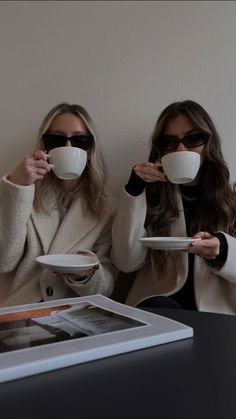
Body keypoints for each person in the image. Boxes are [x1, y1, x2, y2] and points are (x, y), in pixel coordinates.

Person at [112, 100, 236, 315]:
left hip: (217, 316)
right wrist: (134, 191)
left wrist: (223, 250)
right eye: (169, 142)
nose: (181, 149)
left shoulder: (231, 200)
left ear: (209, 144)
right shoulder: (150, 198)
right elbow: (126, 262)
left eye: (193, 138)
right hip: (157, 309)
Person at [0, 102, 117, 307]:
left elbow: (106, 288)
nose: (68, 147)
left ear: (91, 148)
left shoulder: (107, 208)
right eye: (56, 139)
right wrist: (18, 188)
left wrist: (87, 274)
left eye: (80, 140)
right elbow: (4, 262)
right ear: (45, 145)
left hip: (75, 314)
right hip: (22, 309)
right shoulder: (22, 192)